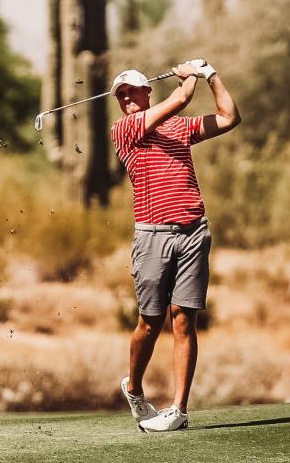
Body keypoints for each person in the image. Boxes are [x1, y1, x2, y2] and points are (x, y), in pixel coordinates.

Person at [110, 60, 240, 432]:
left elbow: (229, 117)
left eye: (131, 91)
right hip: (153, 236)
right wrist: (191, 75)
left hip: (193, 232)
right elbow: (182, 98)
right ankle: (134, 387)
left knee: (184, 318)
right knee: (149, 324)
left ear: (146, 91)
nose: (125, 99)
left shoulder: (178, 128)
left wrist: (212, 74)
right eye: (120, 95)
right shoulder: (125, 129)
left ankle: (179, 410)